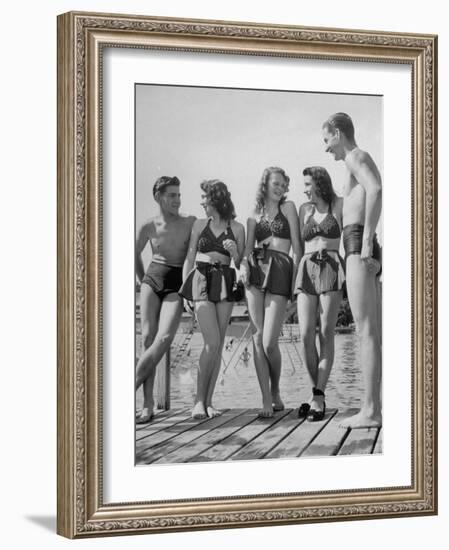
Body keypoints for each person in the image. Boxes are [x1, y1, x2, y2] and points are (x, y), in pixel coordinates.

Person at [322, 112, 382, 428]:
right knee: (370, 330)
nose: (326, 148)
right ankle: (373, 406)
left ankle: (370, 411)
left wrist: (368, 242)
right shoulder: (350, 163)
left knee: (366, 330)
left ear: (339, 133)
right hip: (355, 240)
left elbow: (376, 190)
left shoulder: (357, 156)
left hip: (359, 240)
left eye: (327, 139)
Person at [180, 180, 245, 419]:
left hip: (226, 281)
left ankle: (208, 402)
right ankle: (197, 401)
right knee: (211, 343)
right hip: (201, 279)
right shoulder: (199, 224)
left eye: (205, 198)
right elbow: (189, 258)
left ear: (216, 200)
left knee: (217, 348)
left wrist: (235, 252)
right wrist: (183, 290)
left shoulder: (237, 228)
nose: (201, 202)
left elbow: (240, 264)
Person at [240, 167, 300, 417]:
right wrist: (243, 266)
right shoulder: (253, 214)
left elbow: (297, 248)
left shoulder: (289, 208)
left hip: (281, 270)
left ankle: (275, 390)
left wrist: (295, 285)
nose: (280, 188)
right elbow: (247, 250)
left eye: (283, 184)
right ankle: (266, 399)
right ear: (265, 184)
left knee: (269, 342)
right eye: (276, 183)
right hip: (256, 271)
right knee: (256, 338)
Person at [135, 176, 196, 423]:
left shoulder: (189, 222)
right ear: (159, 197)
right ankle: (147, 404)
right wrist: (142, 280)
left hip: (175, 284)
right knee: (147, 338)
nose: (177, 200)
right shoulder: (148, 226)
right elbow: (133, 253)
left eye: (179, 195)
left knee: (164, 338)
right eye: (172, 195)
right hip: (152, 279)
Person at [294, 167, 345, 421]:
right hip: (306, 268)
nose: (304, 189)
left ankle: (317, 396)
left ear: (319, 183)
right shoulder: (304, 210)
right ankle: (317, 394)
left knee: (326, 333)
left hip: (331, 266)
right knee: (305, 334)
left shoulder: (338, 204)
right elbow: (296, 248)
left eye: (307, 184)